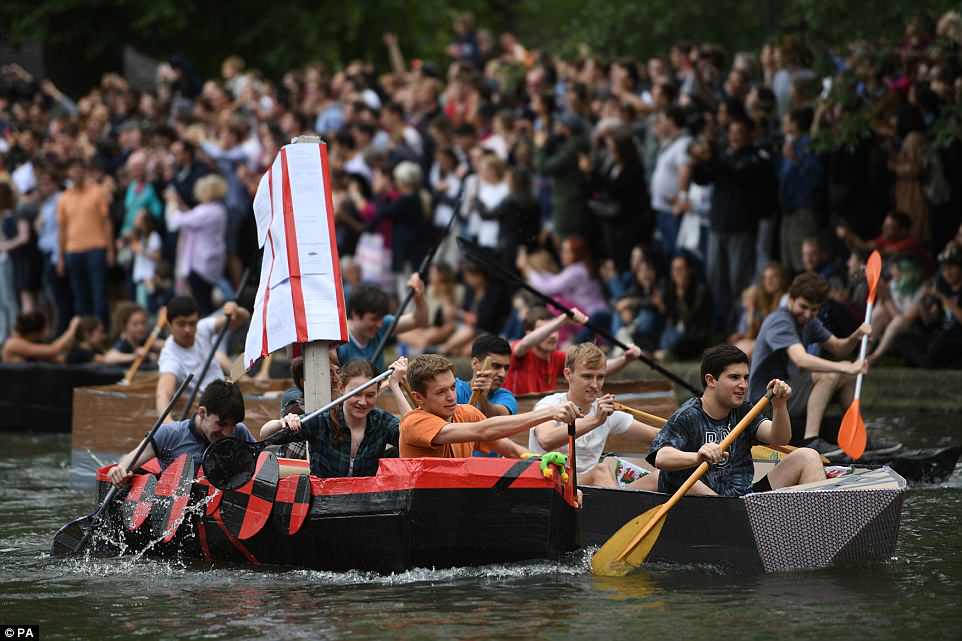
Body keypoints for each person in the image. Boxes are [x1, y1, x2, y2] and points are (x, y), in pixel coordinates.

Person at [748, 272, 900, 456]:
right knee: (831, 374)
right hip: (765, 401)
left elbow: (838, 347)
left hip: (788, 393)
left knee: (849, 375)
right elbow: (800, 359)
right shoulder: (779, 321)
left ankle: (858, 435)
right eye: (803, 307)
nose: (807, 314)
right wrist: (845, 366)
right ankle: (811, 440)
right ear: (791, 299)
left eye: (814, 309)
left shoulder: (809, 321)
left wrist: (855, 336)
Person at [648, 344, 825, 496]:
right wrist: (698, 457)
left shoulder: (744, 411)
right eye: (734, 377)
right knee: (674, 473)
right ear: (711, 380)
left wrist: (779, 406)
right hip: (705, 505)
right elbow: (661, 457)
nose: (743, 385)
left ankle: (817, 531)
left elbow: (779, 438)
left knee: (808, 456)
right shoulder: (687, 415)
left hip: (746, 500)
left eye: (745, 378)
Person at [529, 343, 661, 489]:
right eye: (587, 376)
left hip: (590, 491)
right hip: (551, 483)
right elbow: (546, 440)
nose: (595, 384)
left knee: (658, 478)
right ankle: (618, 510)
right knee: (601, 471)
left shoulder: (606, 411)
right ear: (568, 374)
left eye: (600, 377)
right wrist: (595, 421)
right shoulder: (549, 404)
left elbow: (657, 436)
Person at [399, 353, 580, 458]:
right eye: (440, 392)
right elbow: (483, 431)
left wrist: (539, 460)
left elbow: (510, 449)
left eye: (453, 387)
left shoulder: (467, 412)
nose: (451, 396)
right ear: (418, 398)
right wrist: (548, 413)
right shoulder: (413, 423)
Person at [261, 358, 411, 477]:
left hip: (365, 504)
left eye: (370, 395)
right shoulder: (323, 419)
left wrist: (395, 386)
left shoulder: (381, 421)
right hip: (322, 506)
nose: (363, 402)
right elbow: (266, 435)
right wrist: (283, 422)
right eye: (356, 393)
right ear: (341, 388)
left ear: (378, 392)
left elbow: (414, 434)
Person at [108, 380, 254, 484]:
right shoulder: (169, 434)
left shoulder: (240, 432)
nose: (228, 434)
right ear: (202, 412)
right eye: (221, 424)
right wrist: (120, 471)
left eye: (233, 425)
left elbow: (262, 460)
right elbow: (130, 460)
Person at [503, 306, 641, 395]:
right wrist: (563, 319)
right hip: (518, 413)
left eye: (556, 330)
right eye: (546, 331)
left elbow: (596, 368)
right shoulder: (519, 350)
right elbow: (523, 345)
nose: (552, 336)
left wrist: (625, 359)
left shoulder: (557, 357)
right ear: (528, 333)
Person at [156, 295, 250, 421]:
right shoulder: (170, 356)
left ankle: (247, 379)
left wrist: (235, 311)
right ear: (169, 324)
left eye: (192, 323)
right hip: (206, 411)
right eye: (181, 324)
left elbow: (243, 318)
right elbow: (163, 394)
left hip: (227, 397)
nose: (188, 330)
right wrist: (168, 424)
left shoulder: (202, 327)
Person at [57, 159, 114, 326]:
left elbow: (106, 222)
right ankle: (85, 334)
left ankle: (102, 330)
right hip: (73, 250)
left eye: (79, 169)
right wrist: (61, 257)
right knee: (79, 296)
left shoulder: (97, 192)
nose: (77, 173)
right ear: (68, 174)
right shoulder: (64, 198)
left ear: (85, 171)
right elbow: (62, 229)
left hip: (96, 248)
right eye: (73, 170)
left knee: (99, 294)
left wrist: (110, 250)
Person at [337, 275, 428, 372]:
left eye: (381, 318)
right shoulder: (338, 341)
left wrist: (419, 298)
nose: (379, 324)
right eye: (374, 319)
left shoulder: (383, 324)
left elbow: (418, 320)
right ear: (355, 314)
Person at [456, 334, 517, 417]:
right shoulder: (454, 388)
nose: (502, 374)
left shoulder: (506, 396)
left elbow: (497, 416)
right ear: (475, 363)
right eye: (496, 366)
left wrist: (482, 397)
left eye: (506, 368)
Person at [1, 311, 80, 363]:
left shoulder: (23, 340)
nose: (47, 332)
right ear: (34, 334)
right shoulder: (13, 343)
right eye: (44, 330)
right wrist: (72, 329)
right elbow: (52, 350)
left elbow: (52, 354)